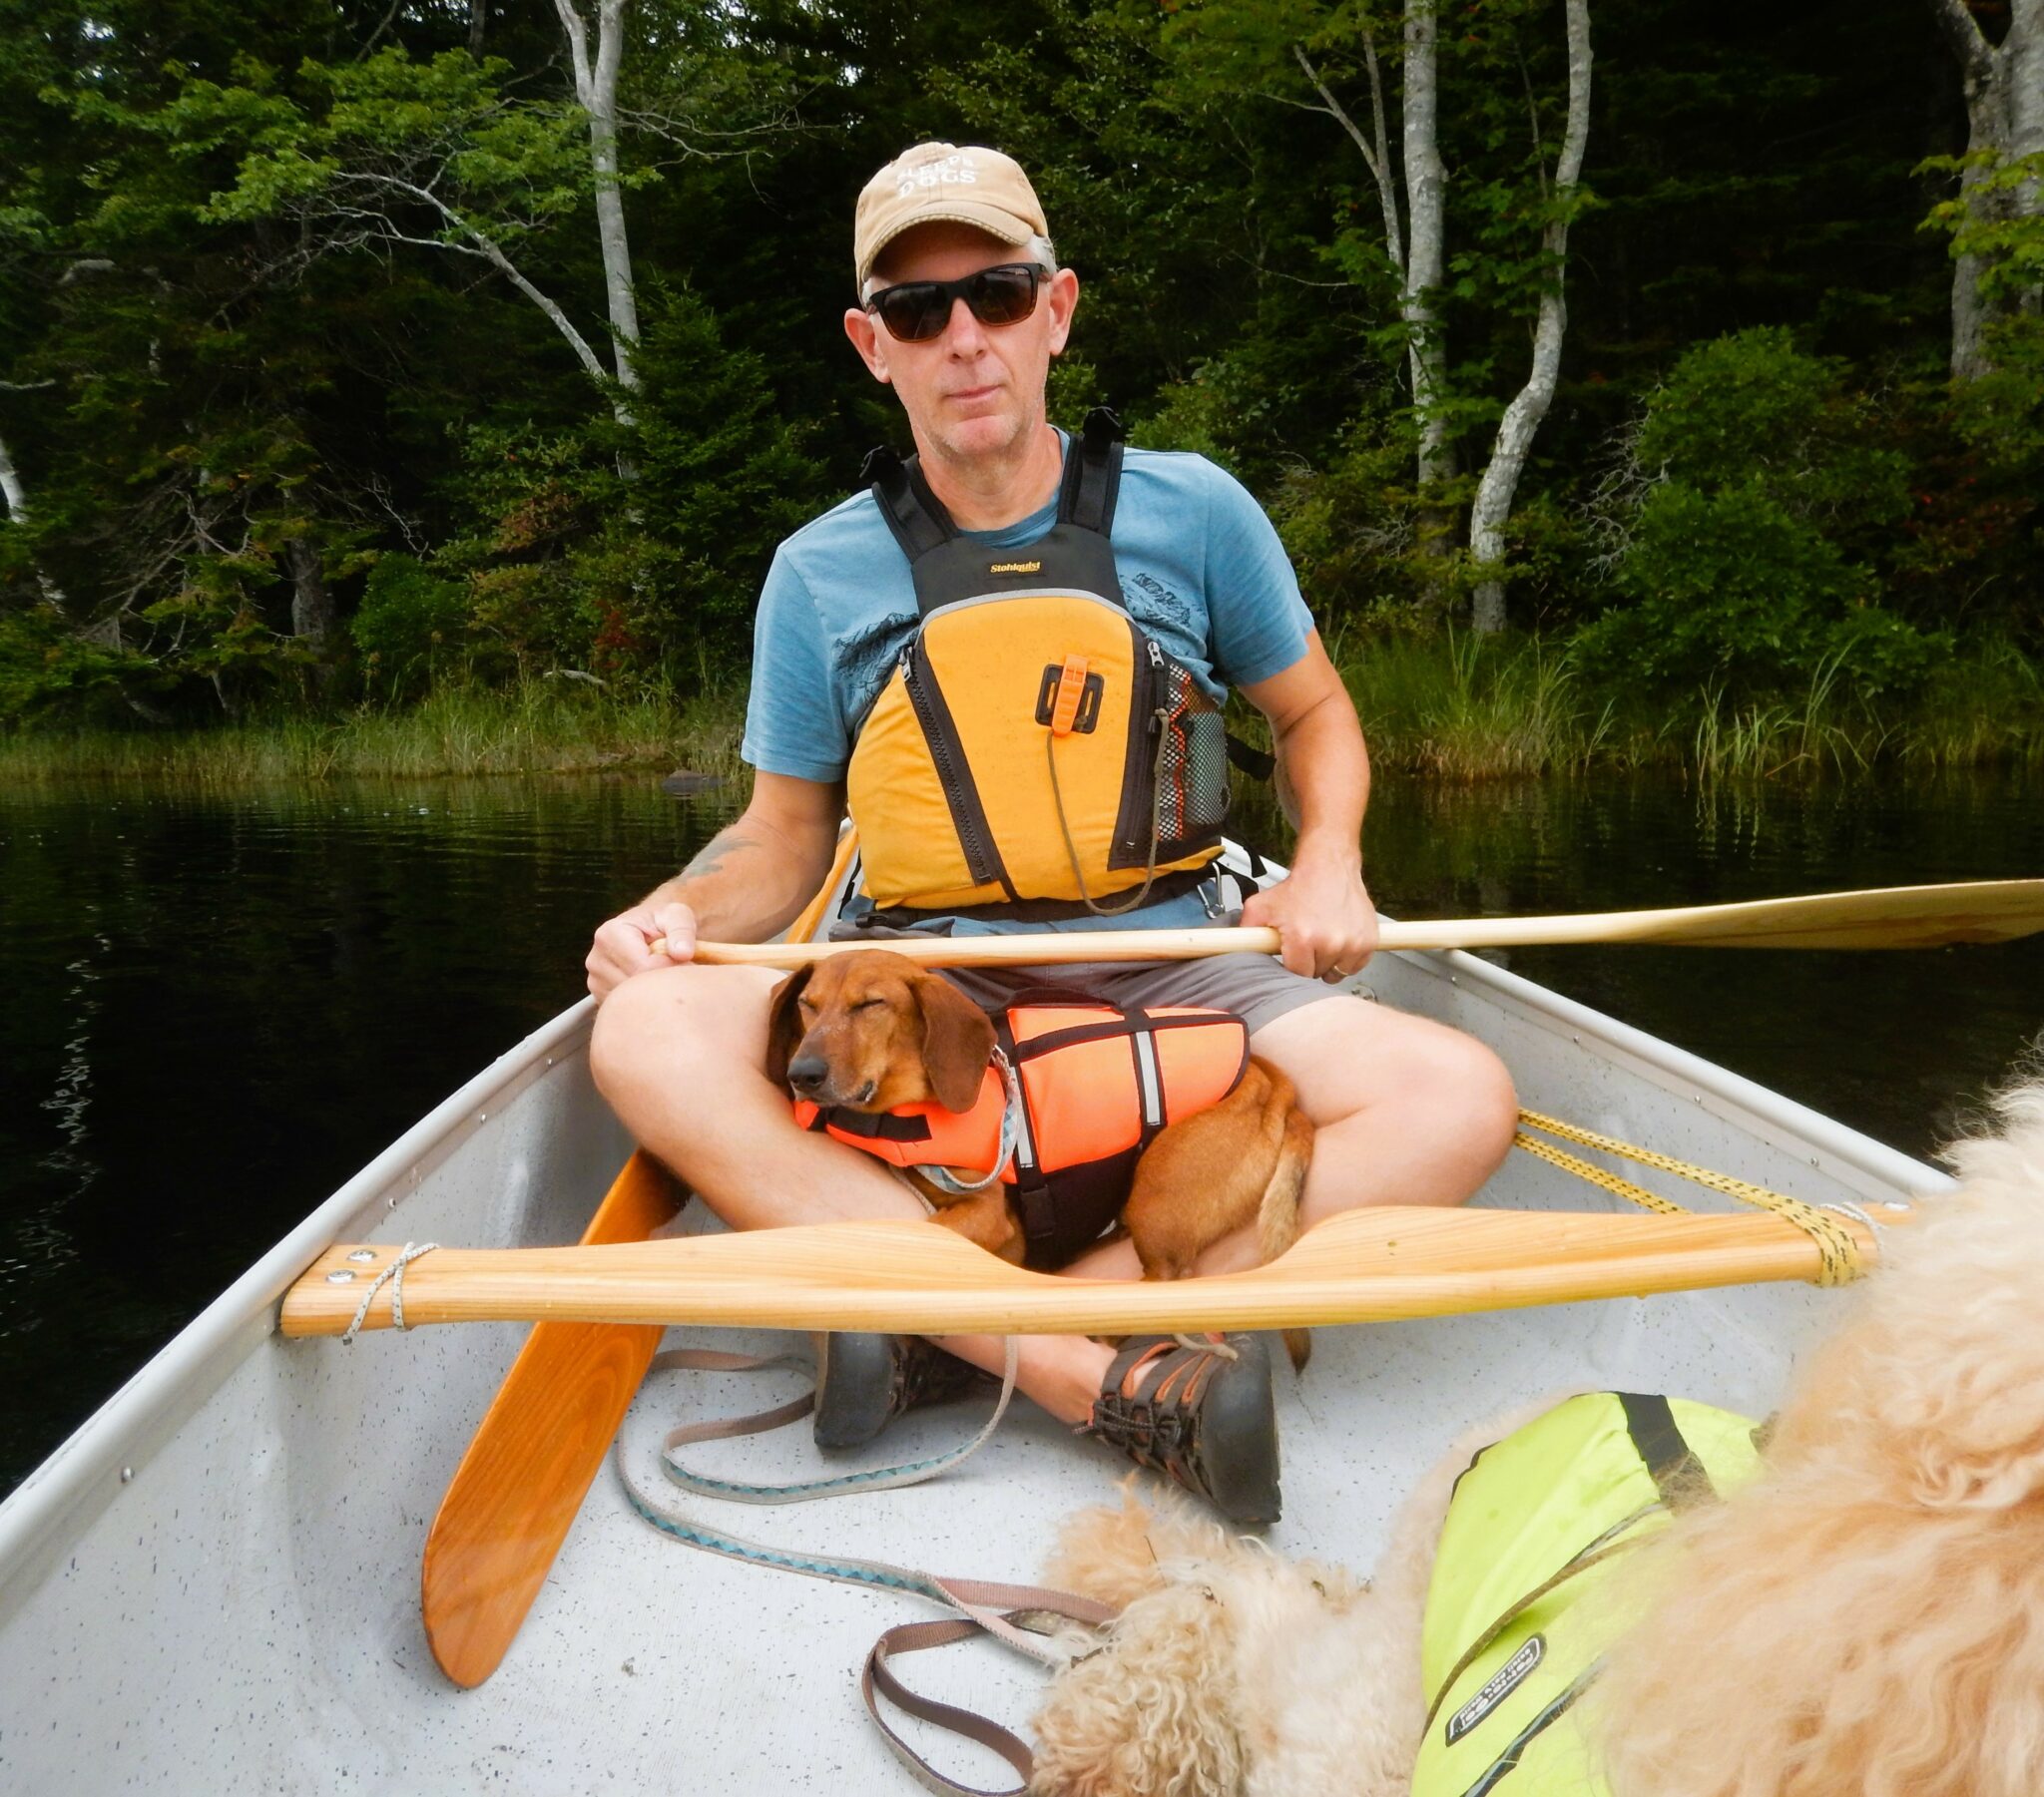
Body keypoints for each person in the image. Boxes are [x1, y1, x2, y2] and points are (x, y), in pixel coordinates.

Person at [586, 142, 1518, 1524]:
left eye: (999, 294)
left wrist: (1329, 861)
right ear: (871, 345)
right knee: (642, 1030)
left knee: (1461, 1097)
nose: (964, 338)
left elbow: (1316, 713)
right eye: (918, 311)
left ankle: (949, 1333)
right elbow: (780, 844)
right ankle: (1106, 1377)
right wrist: (672, 910)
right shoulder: (817, 571)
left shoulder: (1197, 512)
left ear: (1058, 311)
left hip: (1178, 955)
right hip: (928, 975)